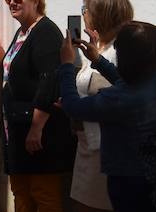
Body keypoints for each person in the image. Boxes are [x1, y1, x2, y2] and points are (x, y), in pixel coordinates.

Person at [58, 21, 156, 212]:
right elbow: (126, 82)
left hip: (128, 180)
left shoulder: (117, 99)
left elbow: (73, 106)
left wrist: (67, 64)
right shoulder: (147, 82)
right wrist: (98, 60)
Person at [0, 0, 75, 211]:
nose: (12, 2)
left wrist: (36, 127)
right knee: (21, 193)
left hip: (40, 132)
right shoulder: (23, 32)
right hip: (17, 127)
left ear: (36, 0)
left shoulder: (45, 32)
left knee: (43, 194)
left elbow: (50, 81)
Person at [71, 0, 134, 212]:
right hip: (86, 144)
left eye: (84, 10)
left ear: (100, 15)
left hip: (105, 146)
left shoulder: (118, 52)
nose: (83, 15)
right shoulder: (98, 48)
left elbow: (112, 93)